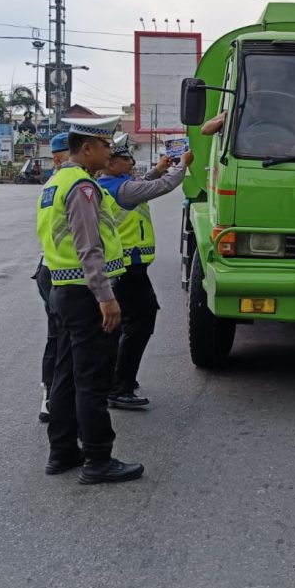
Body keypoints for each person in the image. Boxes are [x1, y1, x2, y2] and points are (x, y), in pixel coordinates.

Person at [35, 115, 144, 485]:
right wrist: (106, 297)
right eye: (105, 147)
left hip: (62, 290)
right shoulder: (82, 186)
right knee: (92, 378)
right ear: (87, 149)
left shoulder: (55, 182)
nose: (109, 153)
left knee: (65, 376)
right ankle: (98, 458)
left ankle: (62, 451)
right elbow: (89, 247)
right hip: (85, 293)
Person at [97, 135, 193, 409]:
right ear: (111, 163)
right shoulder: (121, 189)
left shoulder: (114, 184)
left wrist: (160, 167)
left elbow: (144, 183)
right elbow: (160, 187)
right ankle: (119, 387)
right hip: (128, 268)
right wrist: (181, 166)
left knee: (127, 323)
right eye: (126, 159)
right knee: (139, 323)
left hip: (125, 267)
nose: (131, 162)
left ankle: (117, 378)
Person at [32, 132, 72, 422]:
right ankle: (51, 395)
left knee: (61, 335)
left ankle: (57, 394)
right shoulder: (64, 185)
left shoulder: (59, 184)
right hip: (58, 271)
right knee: (59, 335)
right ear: (58, 158)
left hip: (54, 269)